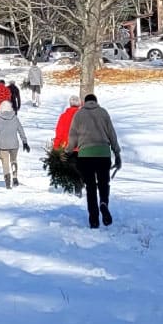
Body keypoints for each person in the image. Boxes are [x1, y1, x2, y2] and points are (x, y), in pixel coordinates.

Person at [65, 93, 121, 228]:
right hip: (103, 154)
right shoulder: (103, 112)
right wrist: (117, 152)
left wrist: (68, 151)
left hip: (85, 156)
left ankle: (94, 219)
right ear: (96, 102)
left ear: (85, 102)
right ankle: (103, 203)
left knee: (90, 187)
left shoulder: (78, 115)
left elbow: (72, 135)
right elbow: (112, 133)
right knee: (103, 183)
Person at [0, 100, 29, 189]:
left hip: (3, 145)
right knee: (13, 160)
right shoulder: (15, 118)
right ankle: (15, 177)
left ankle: (8, 181)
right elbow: (21, 130)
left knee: (5, 163)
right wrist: (25, 142)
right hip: (14, 145)